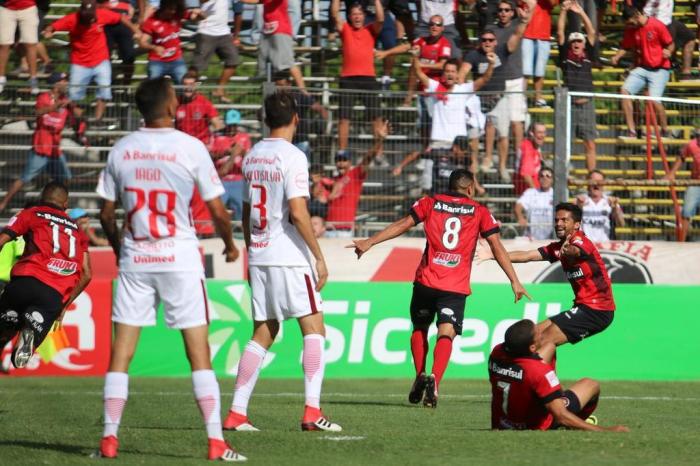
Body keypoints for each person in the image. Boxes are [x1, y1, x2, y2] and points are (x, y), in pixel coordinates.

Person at [94, 77, 244, 461]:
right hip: (178, 258)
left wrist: (119, 248)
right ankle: (215, 442)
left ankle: (109, 439)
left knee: (121, 355)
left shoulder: (122, 149)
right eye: (176, 95)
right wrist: (228, 244)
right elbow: (217, 210)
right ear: (169, 105)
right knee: (198, 354)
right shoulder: (190, 147)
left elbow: (106, 213)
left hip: (136, 259)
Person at [349, 169, 529, 407]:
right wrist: (514, 280)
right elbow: (497, 246)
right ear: (470, 188)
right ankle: (435, 378)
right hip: (454, 286)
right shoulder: (480, 211)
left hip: (425, 281)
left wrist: (369, 241)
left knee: (420, 327)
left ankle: (420, 374)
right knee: (446, 333)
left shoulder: (430, 203)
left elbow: (403, 224)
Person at [223, 91, 341, 433]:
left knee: (263, 331)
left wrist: (250, 254)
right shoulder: (293, 156)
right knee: (315, 330)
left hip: (260, 255)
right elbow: (300, 213)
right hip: (289, 257)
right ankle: (311, 412)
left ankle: (236, 413)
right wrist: (319, 257)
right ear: (296, 120)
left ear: (264, 120)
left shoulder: (252, 156)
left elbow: (245, 212)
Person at [478, 202, 616, 350]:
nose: (558, 224)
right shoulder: (557, 247)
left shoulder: (581, 241)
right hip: (584, 307)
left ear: (576, 225)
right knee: (534, 334)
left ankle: (541, 374)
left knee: (542, 341)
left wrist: (567, 249)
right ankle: (545, 372)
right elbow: (527, 255)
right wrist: (493, 254)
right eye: (556, 220)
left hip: (598, 310)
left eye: (564, 220)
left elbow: (576, 251)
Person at [0, 181, 91, 369]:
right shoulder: (78, 232)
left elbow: (2, 239)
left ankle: (16, 323)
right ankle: (31, 327)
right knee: (38, 323)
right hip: (53, 294)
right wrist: (64, 306)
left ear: (42, 198)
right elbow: (87, 274)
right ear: (65, 204)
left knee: (4, 328)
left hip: (24, 282)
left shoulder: (31, 214)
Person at [489, 319, 629, 432]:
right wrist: (607, 430)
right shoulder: (539, 371)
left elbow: (525, 368)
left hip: (503, 423)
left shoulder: (496, 353)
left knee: (549, 346)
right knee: (591, 385)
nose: (541, 331)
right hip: (535, 425)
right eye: (538, 333)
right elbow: (561, 416)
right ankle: (575, 423)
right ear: (532, 348)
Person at [462, 0, 535, 182]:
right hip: (485, 92)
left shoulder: (504, 45)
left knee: (514, 122)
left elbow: (516, 37)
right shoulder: (488, 34)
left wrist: (525, 20)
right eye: (500, 10)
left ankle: (515, 159)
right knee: (488, 126)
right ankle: (484, 160)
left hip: (511, 81)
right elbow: (463, 71)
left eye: (507, 10)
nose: (503, 13)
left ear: (512, 12)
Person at [43, 0, 138, 123]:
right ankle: (78, 122)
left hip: (101, 60)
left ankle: (97, 120)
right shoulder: (72, 19)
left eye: (91, 17)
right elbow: (53, 27)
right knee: (74, 95)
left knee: (103, 92)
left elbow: (121, 18)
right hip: (80, 62)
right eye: (86, 17)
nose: (89, 20)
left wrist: (136, 30)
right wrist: (48, 32)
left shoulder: (102, 14)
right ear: (81, 13)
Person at [0, 72, 80, 213]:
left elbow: (77, 119)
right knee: (24, 178)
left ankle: (57, 208)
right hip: (41, 148)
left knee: (66, 178)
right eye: (63, 81)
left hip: (55, 151)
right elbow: (38, 112)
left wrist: (73, 108)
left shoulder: (66, 101)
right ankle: (3, 204)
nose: (66, 83)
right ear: (55, 84)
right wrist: (55, 107)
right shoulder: (44, 97)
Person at [375, 14, 452, 144]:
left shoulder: (445, 44)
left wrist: (421, 64)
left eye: (438, 24)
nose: (434, 26)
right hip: (422, 89)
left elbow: (443, 65)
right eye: (432, 24)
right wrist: (386, 53)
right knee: (423, 124)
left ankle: (435, 149)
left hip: (437, 92)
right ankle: (426, 151)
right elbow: (406, 47)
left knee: (434, 123)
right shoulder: (422, 41)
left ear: (442, 28)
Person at [611, 5, 674, 139]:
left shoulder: (656, 25)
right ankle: (631, 131)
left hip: (660, 69)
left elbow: (670, 43)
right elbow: (625, 46)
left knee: (654, 100)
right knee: (624, 91)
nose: (629, 25)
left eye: (630, 22)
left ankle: (665, 130)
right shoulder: (631, 29)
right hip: (643, 68)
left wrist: (669, 51)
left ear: (637, 15)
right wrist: (617, 56)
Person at [331, 0, 385, 151]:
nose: (357, 17)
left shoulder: (370, 29)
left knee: (376, 118)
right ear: (349, 16)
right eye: (354, 14)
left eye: (359, 14)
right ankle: (342, 152)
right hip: (348, 78)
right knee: (344, 118)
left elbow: (380, 19)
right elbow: (335, 14)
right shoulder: (345, 28)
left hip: (368, 78)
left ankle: (378, 153)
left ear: (364, 16)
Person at [176, 70, 225, 236]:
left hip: (199, 154)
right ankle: (185, 226)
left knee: (202, 191)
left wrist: (212, 139)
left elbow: (218, 124)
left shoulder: (204, 103)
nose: (188, 87)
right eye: (186, 84)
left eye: (191, 84)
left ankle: (205, 229)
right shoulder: (177, 103)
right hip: (182, 154)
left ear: (197, 86)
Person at [326, 122, 388, 237]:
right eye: (338, 160)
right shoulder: (331, 180)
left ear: (350, 162)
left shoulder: (354, 175)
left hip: (345, 230)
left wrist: (379, 140)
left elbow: (368, 159)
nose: (340, 163)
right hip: (328, 228)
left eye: (344, 160)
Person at [557, 0, 597, 171]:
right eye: (573, 41)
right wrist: (564, 11)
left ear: (583, 44)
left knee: (590, 144)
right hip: (569, 105)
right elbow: (559, 32)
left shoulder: (589, 56)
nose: (576, 43)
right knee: (565, 144)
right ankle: (564, 176)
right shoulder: (565, 57)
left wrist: (581, 12)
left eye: (579, 41)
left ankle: (592, 178)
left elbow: (591, 32)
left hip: (587, 103)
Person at [241, 0, 306, 90]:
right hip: (267, 31)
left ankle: (304, 94)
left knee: (288, 63)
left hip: (281, 31)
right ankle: (270, 97)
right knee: (268, 69)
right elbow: (256, 1)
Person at [139, 0, 202, 83]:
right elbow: (142, 43)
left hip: (176, 60)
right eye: (170, 9)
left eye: (174, 9)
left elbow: (199, 18)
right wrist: (154, 47)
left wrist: (199, 13)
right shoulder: (151, 21)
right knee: (153, 88)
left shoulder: (178, 15)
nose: (173, 11)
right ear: (163, 8)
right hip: (157, 61)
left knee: (184, 86)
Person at [193, 0, 240, 101]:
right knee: (197, 66)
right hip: (206, 31)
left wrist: (236, 35)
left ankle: (220, 89)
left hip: (224, 32)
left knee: (233, 60)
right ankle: (191, 91)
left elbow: (240, 8)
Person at [209, 109, 252, 221]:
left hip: (238, 180)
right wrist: (227, 152)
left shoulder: (244, 137)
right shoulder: (216, 137)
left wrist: (241, 151)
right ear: (225, 123)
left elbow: (250, 158)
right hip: (220, 180)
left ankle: (241, 234)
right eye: (229, 125)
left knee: (241, 212)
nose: (232, 128)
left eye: (234, 125)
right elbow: (209, 156)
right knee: (217, 212)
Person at [663, 128, 700, 242]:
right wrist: (672, 174)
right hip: (696, 182)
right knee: (686, 211)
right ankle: (681, 243)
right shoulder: (692, 145)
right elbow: (681, 157)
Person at [522, 0, 557, 107]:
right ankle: (521, 97)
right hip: (526, 32)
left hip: (543, 34)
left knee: (540, 70)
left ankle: (538, 97)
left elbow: (553, 3)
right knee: (525, 69)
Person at [0, 0, 40, 94]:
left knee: (31, 44)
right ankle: (1, 78)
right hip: (6, 8)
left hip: (28, 7)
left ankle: (33, 79)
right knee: (3, 44)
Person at [576, 170, 625, 242]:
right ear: (588, 184)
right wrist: (578, 209)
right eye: (593, 181)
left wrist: (615, 210)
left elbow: (621, 224)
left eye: (599, 181)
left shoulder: (610, 201)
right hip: (584, 246)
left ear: (604, 184)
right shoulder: (580, 200)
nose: (596, 184)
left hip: (604, 246)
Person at [97, 0, 136, 86]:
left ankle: (126, 86)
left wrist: (139, 20)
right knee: (104, 57)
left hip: (124, 24)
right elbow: (95, 5)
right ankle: (105, 86)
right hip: (106, 24)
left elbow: (140, 3)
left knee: (129, 56)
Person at [514, 166, 553, 240]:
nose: (545, 178)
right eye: (542, 176)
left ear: (552, 180)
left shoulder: (556, 194)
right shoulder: (530, 192)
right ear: (538, 179)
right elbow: (518, 206)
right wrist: (520, 217)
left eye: (548, 176)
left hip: (550, 237)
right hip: (531, 237)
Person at [513, 122, 546, 196]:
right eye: (539, 132)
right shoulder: (528, 148)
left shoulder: (535, 147)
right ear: (531, 134)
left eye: (544, 132)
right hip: (528, 194)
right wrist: (538, 194)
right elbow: (526, 175)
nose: (542, 135)